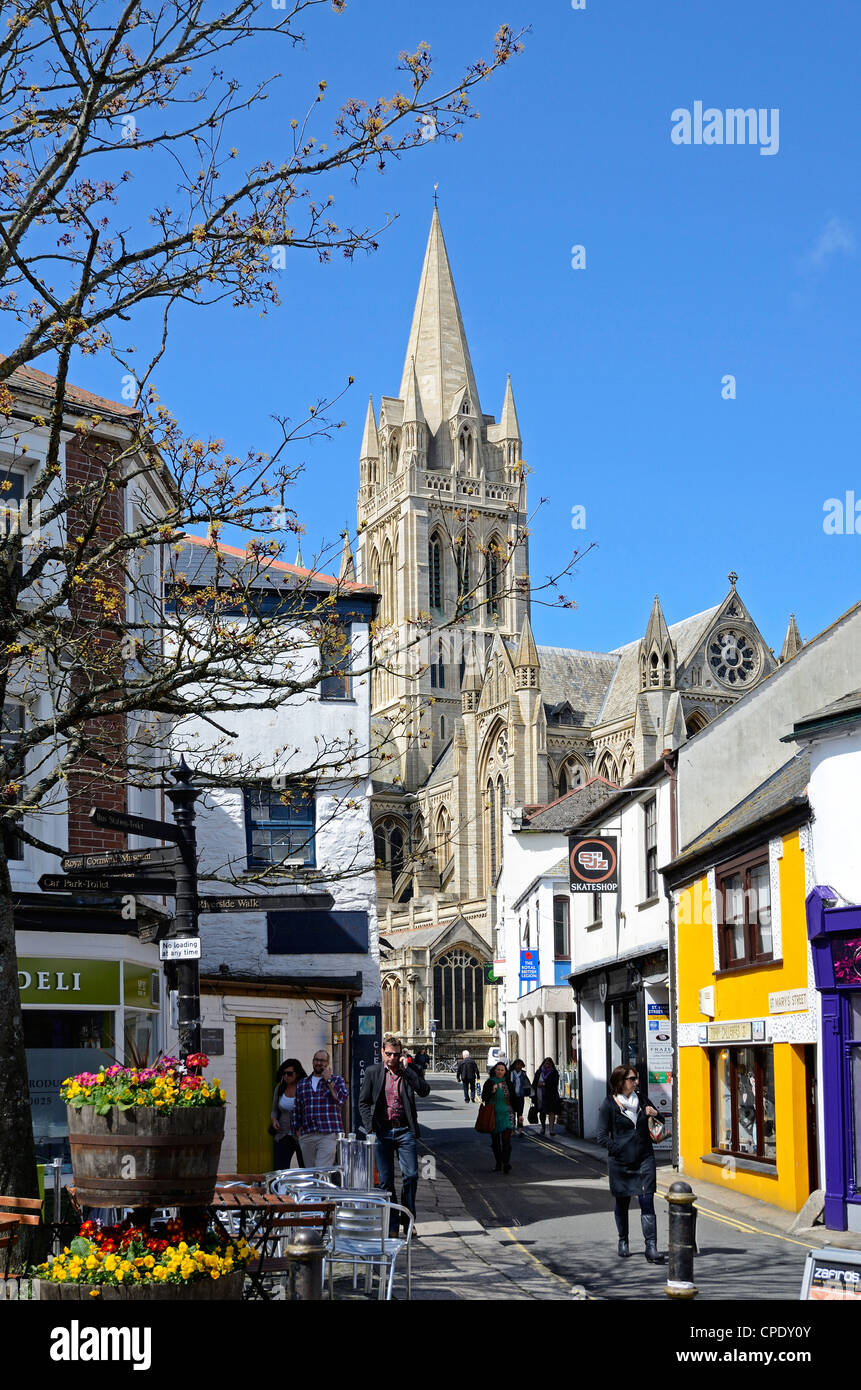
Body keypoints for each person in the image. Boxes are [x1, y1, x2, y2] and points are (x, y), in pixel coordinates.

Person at [359, 1035, 431, 1233]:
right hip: (382, 1131)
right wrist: (370, 1128)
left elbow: (424, 1091)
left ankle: (407, 1222)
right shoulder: (373, 1072)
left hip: (405, 1131)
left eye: (395, 1054)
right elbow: (363, 1102)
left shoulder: (409, 1071)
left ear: (401, 1055)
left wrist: (408, 1071)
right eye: (388, 1053)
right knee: (385, 1181)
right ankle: (392, 1224)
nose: (391, 1058)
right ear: (382, 1052)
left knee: (411, 1176)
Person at [596, 1064, 664, 1263]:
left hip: (644, 1159)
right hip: (621, 1163)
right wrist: (619, 1150)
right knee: (622, 1202)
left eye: (636, 1078)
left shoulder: (642, 1100)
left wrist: (654, 1113)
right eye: (632, 1079)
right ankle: (623, 1240)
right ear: (620, 1081)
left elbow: (659, 1121)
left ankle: (651, 1247)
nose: (636, 1082)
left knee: (647, 1201)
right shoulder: (609, 1104)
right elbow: (601, 1136)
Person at [292, 1049, 348, 1171]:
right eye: (317, 1060)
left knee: (322, 1171)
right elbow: (297, 1108)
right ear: (313, 1061)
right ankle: (314, 1190)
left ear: (327, 1063)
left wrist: (329, 1081)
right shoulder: (302, 1084)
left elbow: (341, 1100)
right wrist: (297, 1129)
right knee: (310, 1172)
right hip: (307, 1134)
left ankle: (321, 1189)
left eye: (322, 1060)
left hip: (327, 1133)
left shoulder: (337, 1080)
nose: (319, 1063)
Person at [270, 1058, 306, 1170]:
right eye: (284, 1073)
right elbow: (274, 1110)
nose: (286, 1076)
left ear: (297, 1073)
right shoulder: (280, 1089)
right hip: (283, 1134)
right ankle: (280, 1188)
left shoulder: (304, 1088)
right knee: (280, 1169)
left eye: (289, 1074)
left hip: (302, 1135)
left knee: (305, 1168)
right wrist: (274, 1120)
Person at [480, 1061, 515, 1173]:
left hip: (507, 1114)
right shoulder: (489, 1082)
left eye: (502, 1070)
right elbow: (484, 1098)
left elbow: (515, 1099)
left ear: (505, 1072)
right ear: (494, 1070)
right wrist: (492, 1091)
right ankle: (498, 1163)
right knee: (495, 1142)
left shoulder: (508, 1083)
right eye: (498, 1069)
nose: (500, 1071)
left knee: (506, 1141)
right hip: (493, 1115)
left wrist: (519, 1115)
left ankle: (506, 1163)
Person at [531, 1056, 562, 1136]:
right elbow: (534, 1083)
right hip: (540, 1095)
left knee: (552, 1112)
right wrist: (534, 1091)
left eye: (549, 1063)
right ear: (543, 1064)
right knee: (542, 1112)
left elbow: (555, 1084)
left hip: (551, 1095)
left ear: (552, 1065)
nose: (547, 1065)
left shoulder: (554, 1073)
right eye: (546, 1063)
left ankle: (551, 1130)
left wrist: (544, 1084)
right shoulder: (539, 1072)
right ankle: (543, 1127)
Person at [509, 1058, 531, 1133]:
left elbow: (527, 1084)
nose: (518, 1066)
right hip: (512, 1097)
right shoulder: (511, 1073)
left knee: (520, 1114)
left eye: (520, 1065)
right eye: (517, 1064)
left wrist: (531, 1093)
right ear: (514, 1066)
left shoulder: (523, 1074)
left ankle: (520, 1129)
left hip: (520, 1096)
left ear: (522, 1066)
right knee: (512, 1114)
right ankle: (512, 1129)